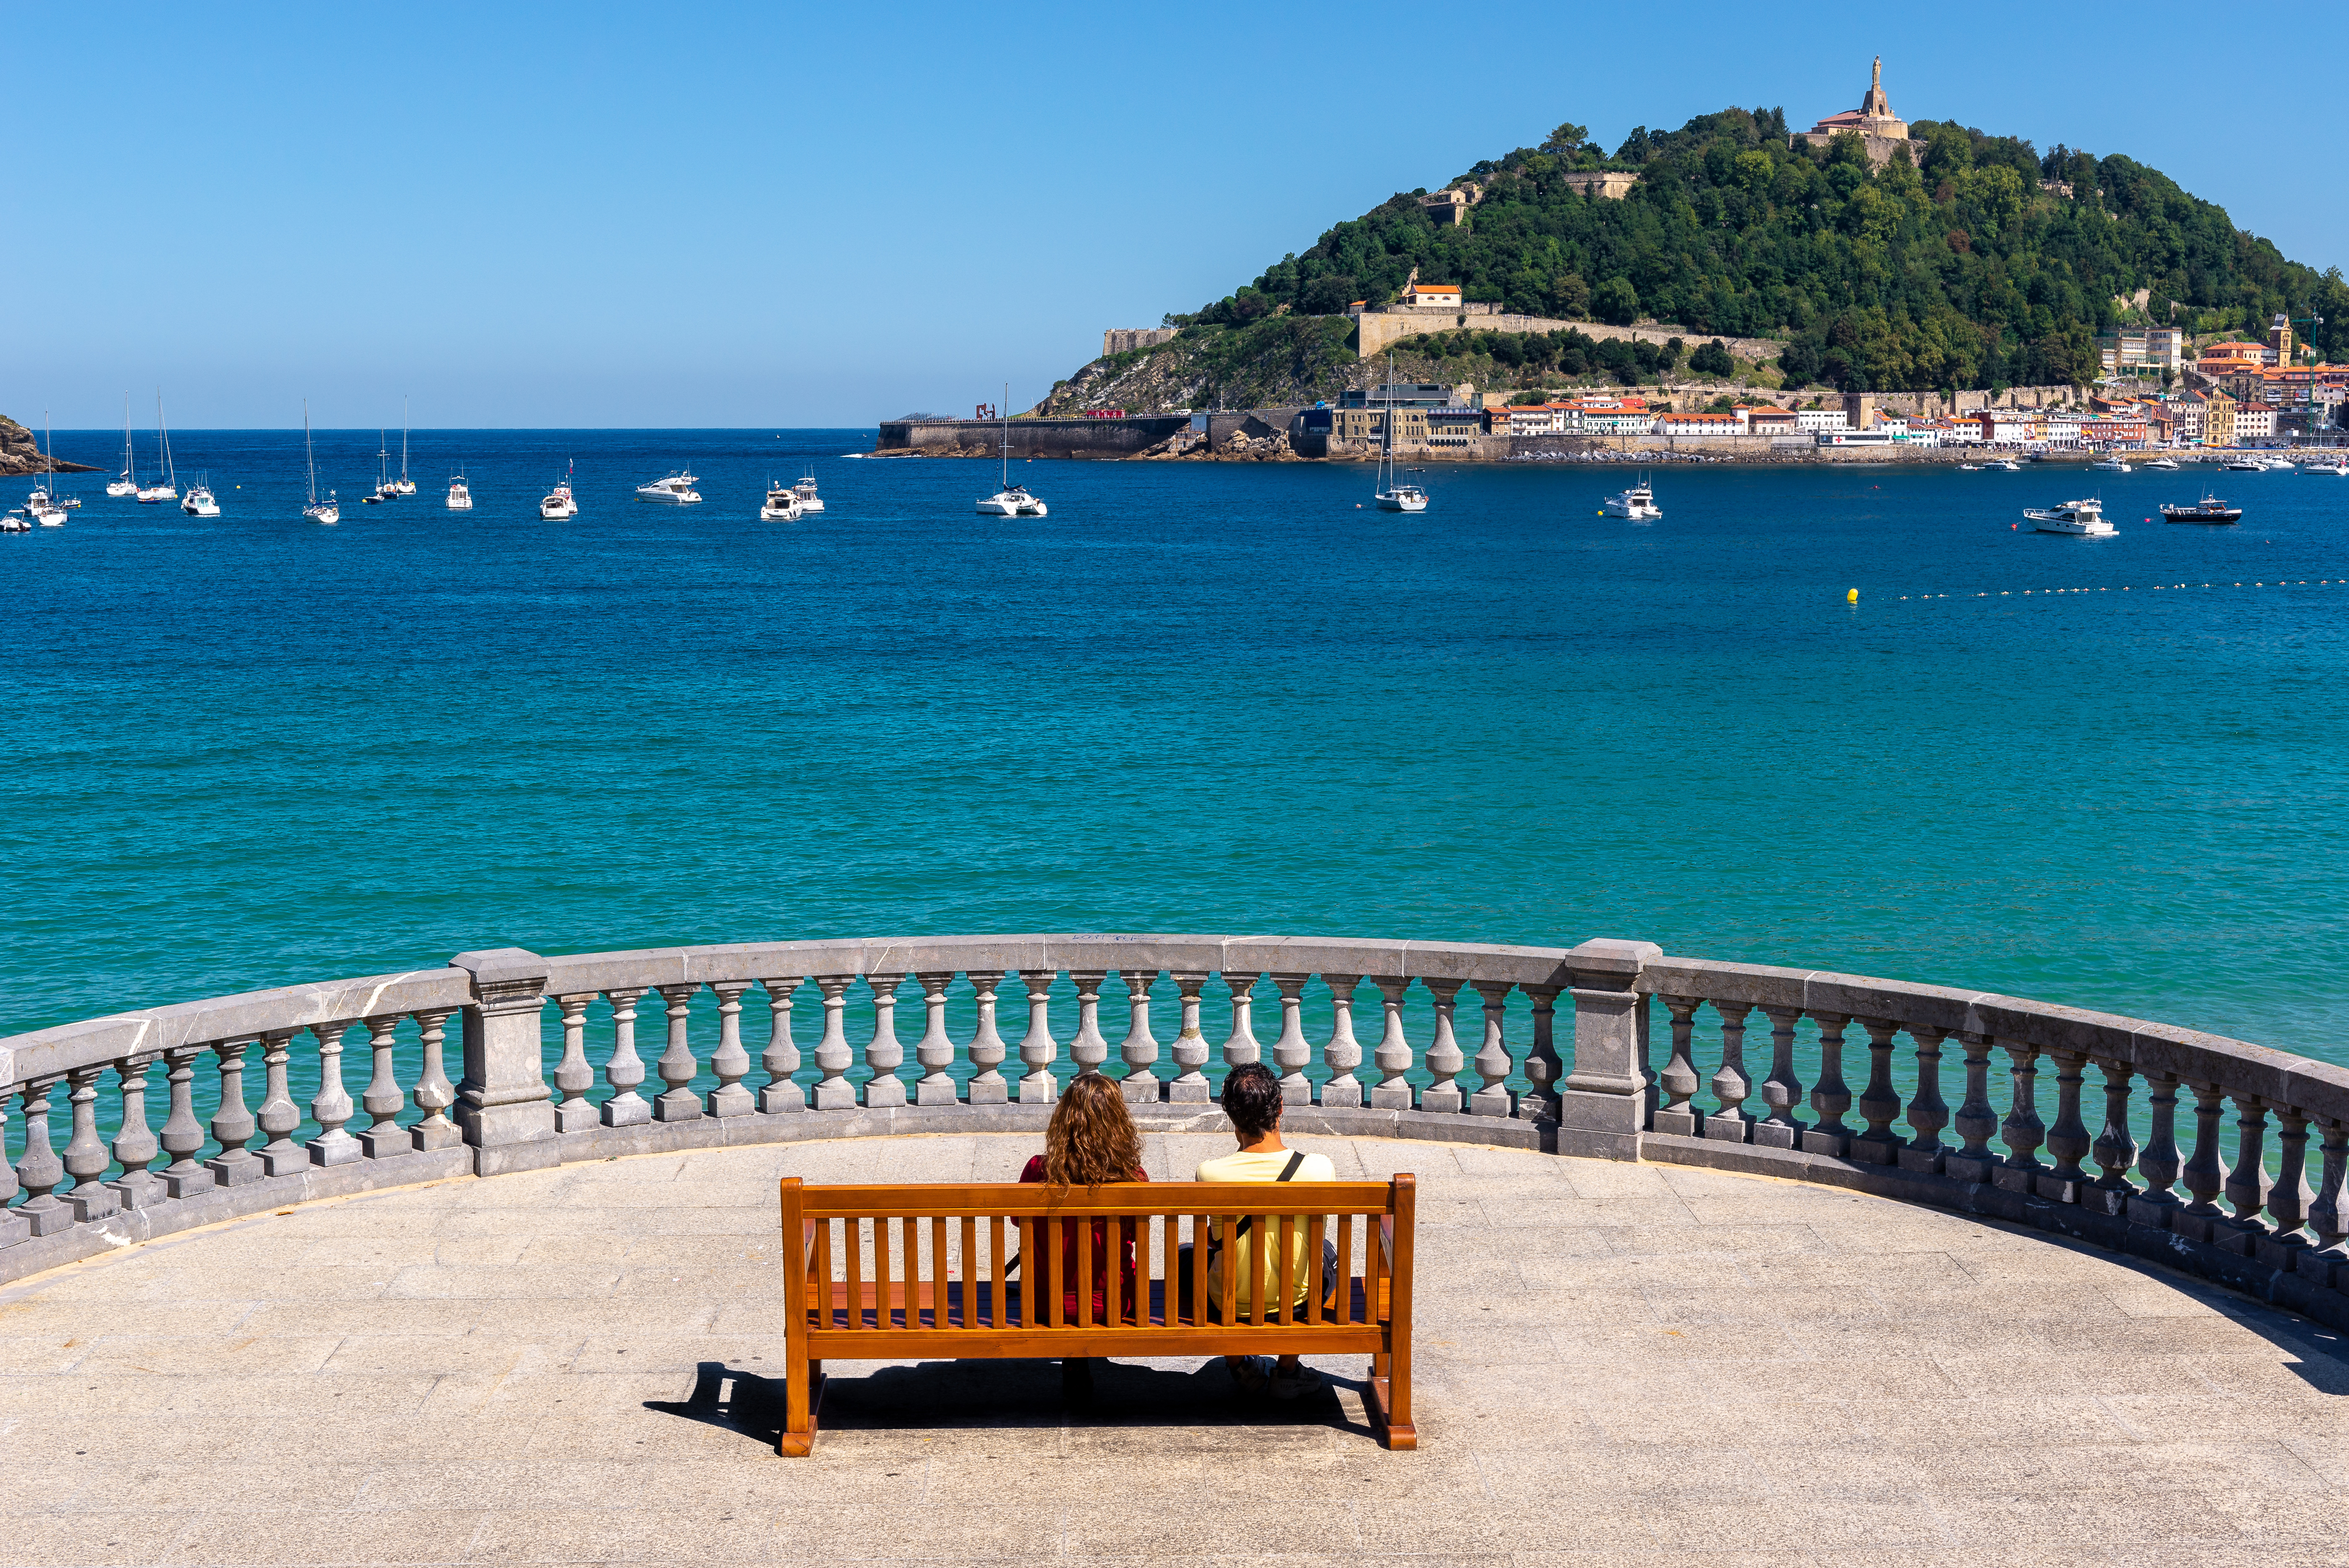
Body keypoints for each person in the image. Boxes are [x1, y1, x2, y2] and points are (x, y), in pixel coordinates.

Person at [1195, 1062, 1336, 1400]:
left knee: (1191, 1255)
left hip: (1229, 1304)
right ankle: (1287, 1370)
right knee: (1327, 1251)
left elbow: (1212, 1243)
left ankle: (1240, 1366)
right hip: (1299, 1304)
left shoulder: (1211, 1174)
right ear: (1281, 1107)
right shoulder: (1318, 1168)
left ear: (1230, 1116)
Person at [1018, 1072, 1148, 1403]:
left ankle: (1076, 1358)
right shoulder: (1133, 1178)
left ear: (1063, 1120)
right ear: (1119, 1122)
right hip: (1115, 1305)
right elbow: (1136, 1230)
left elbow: (1018, 1220)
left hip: (1048, 1304)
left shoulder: (1038, 1171)